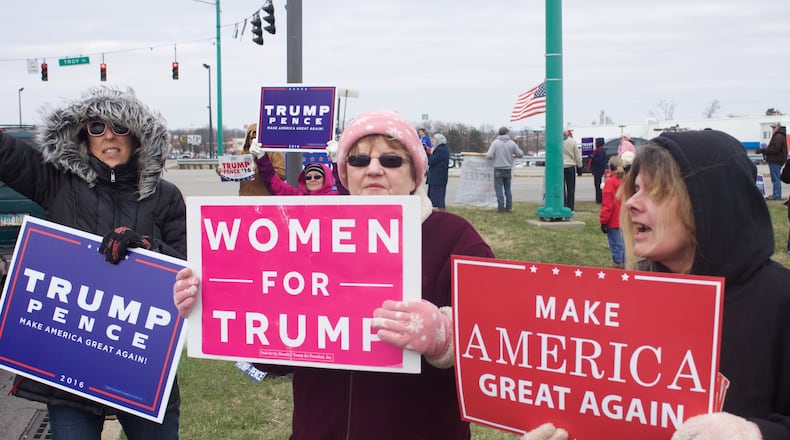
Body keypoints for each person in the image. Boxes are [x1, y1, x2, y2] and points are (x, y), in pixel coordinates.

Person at [173, 110, 564, 440]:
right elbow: (277, 358)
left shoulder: (455, 237)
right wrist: (216, 301)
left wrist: (445, 334)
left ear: (415, 175)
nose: (373, 169)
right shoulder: (306, 238)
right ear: (344, 173)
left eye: (391, 160)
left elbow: (504, 346)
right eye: (358, 160)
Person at [0, 86, 184, 439]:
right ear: (84, 136)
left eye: (120, 127)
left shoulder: (165, 197)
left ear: (138, 135)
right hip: (69, 367)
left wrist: (146, 246)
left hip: (141, 363)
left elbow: (187, 267)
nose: (109, 136)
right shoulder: (56, 183)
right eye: (97, 128)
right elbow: (7, 155)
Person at [619, 130, 790, 439]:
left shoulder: (781, 300)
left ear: (708, 201)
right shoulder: (630, 296)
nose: (630, 202)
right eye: (635, 189)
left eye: (655, 192)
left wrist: (754, 434)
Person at [251, 144, 337, 196]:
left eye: (317, 177)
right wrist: (262, 157)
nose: (312, 179)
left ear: (326, 179)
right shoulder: (296, 196)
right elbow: (275, 184)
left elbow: (345, 185)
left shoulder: (337, 198)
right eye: (308, 177)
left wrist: (337, 160)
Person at [237, 123, 286, 196]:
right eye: (252, 138)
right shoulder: (243, 153)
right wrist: (223, 170)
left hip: (267, 199)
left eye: (258, 138)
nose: (255, 141)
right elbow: (234, 171)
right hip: (245, 198)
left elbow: (282, 175)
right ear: (248, 139)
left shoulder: (275, 153)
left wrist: (260, 169)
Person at [486, 126, 524, 212]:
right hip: (508, 169)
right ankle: (509, 207)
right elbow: (520, 154)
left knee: (499, 189)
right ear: (506, 133)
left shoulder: (495, 143)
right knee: (507, 189)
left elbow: (489, 155)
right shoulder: (511, 143)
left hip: (498, 169)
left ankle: (501, 207)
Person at [599, 155, 624, 268]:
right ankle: (624, 264)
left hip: (613, 219)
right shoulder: (624, 181)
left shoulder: (611, 182)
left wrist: (603, 221)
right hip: (624, 218)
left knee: (615, 244)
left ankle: (618, 265)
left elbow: (607, 204)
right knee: (623, 244)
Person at [763, 122, 787, 200]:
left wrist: (765, 150)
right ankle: (776, 194)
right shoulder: (780, 136)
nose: (772, 129)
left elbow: (776, 149)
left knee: (776, 178)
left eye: (774, 127)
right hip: (777, 160)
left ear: (778, 127)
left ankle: (776, 195)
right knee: (776, 178)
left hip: (776, 160)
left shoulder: (778, 136)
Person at [427, 132, 450, 209]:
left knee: (438, 199)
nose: (433, 141)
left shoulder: (440, 150)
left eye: (434, 140)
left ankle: (441, 214)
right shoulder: (441, 149)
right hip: (438, 179)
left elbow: (431, 161)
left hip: (437, 179)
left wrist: (427, 154)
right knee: (433, 199)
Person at [562, 129, 583, 211]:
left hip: (560, 166)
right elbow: (577, 155)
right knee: (571, 188)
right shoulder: (572, 141)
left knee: (561, 189)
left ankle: (563, 205)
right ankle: (570, 207)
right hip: (570, 166)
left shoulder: (557, 141)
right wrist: (579, 166)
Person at [589, 137, 607, 204]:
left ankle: (599, 199)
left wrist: (592, 158)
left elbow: (599, 160)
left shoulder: (601, 151)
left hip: (598, 170)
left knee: (598, 185)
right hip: (598, 170)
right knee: (597, 185)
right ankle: (599, 198)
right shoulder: (599, 150)